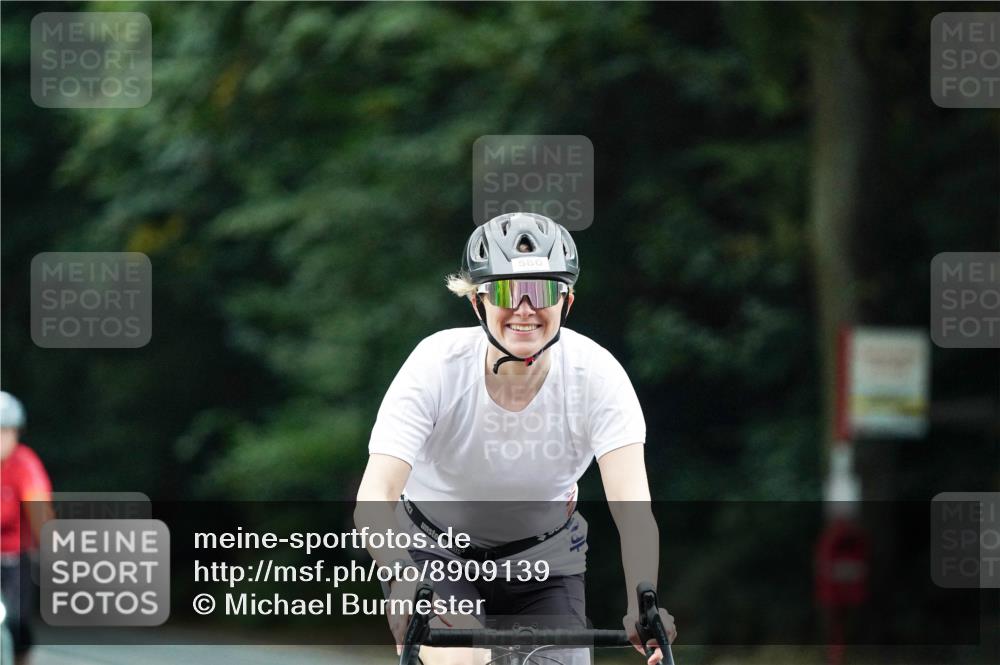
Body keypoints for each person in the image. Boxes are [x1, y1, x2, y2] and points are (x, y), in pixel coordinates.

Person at [355, 212, 676, 665]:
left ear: (566, 302)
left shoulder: (597, 376)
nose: (525, 310)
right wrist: (403, 579)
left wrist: (643, 601)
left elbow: (633, 510)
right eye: (507, 291)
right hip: (434, 553)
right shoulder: (434, 366)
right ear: (478, 302)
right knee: (465, 659)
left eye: (542, 291)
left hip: (544, 564)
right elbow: (375, 495)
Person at [1, 391, 53, 665]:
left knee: (17, 620)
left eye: (4, 432)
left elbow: (38, 506)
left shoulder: (24, 464)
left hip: (14, 556)